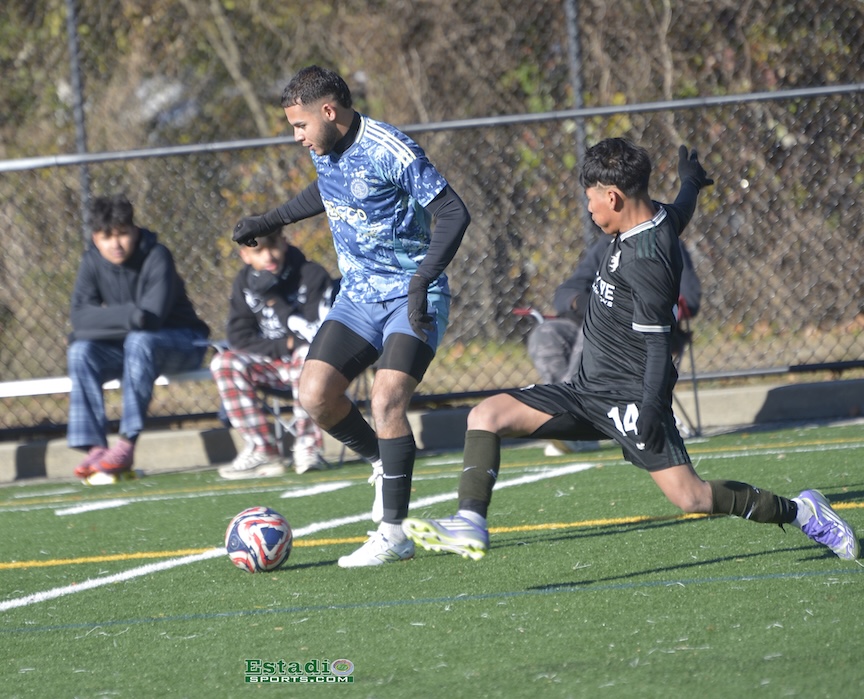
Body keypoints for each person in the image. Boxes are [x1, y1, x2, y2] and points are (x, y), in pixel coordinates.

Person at [402, 139, 859, 563]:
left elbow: (659, 346)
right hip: (586, 390)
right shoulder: (653, 218)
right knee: (486, 415)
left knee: (692, 497)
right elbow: (678, 212)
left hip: (631, 399)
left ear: (614, 197)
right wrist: (690, 184)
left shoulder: (646, 260)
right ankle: (470, 522)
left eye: (591, 200)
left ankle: (804, 512)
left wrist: (650, 409)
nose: (589, 208)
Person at [231, 65, 471, 567]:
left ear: (328, 111)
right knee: (315, 395)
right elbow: (328, 191)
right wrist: (268, 220)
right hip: (357, 298)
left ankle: (394, 534)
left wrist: (422, 279)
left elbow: (453, 212)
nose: (297, 137)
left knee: (386, 400)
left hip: (411, 296)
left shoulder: (391, 149)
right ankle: (384, 461)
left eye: (300, 125)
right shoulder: (326, 148)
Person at [68, 194, 211, 485]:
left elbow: (152, 319)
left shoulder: (157, 255)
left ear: (134, 230)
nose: (116, 244)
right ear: (95, 239)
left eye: (122, 234)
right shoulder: (91, 261)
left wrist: (100, 322)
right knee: (81, 351)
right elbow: (80, 318)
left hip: (184, 343)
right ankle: (95, 448)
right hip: (132, 350)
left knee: (139, 341)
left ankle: (126, 443)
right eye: (107, 237)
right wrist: (132, 315)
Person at [528, 233, 701, 455]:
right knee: (545, 334)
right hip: (589, 324)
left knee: (596, 328)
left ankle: (573, 422)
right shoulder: (607, 245)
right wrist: (582, 302)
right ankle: (571, 420)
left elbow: (689, 298)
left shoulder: (665, 243)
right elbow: (566, 291)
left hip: (643, 330)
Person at [211, 229, 337, 478]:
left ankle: (308, 447)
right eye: (259, 251)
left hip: (312, 365)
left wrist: (274, 300)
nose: (268, 256)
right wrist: (284, 345)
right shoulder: (245, 281)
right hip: (270, 364)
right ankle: (262, 450)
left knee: (307, 355)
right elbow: (239, 338)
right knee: (223, 363)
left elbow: (315, 334)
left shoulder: (311, 274)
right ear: (245, 255)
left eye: (273, 247)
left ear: (284, 243)